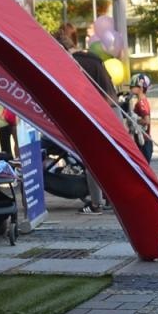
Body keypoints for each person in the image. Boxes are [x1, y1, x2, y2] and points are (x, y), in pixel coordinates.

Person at [57, 25, 116, 213]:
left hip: (99, 115)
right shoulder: (91, 57)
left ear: (60, 48)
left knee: (93, 162)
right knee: (111, 162)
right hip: (114, 111)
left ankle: (96, 204)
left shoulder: (73, 64)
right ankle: (110, 201)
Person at [127, 73, 154, 162]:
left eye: (133, 86)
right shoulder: (140, 102)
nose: (130, 88)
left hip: (144, 142)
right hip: (140, 140)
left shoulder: (142, 103)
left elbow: (146, 120)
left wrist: (134, 120)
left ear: (141, 88)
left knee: (143, 170)